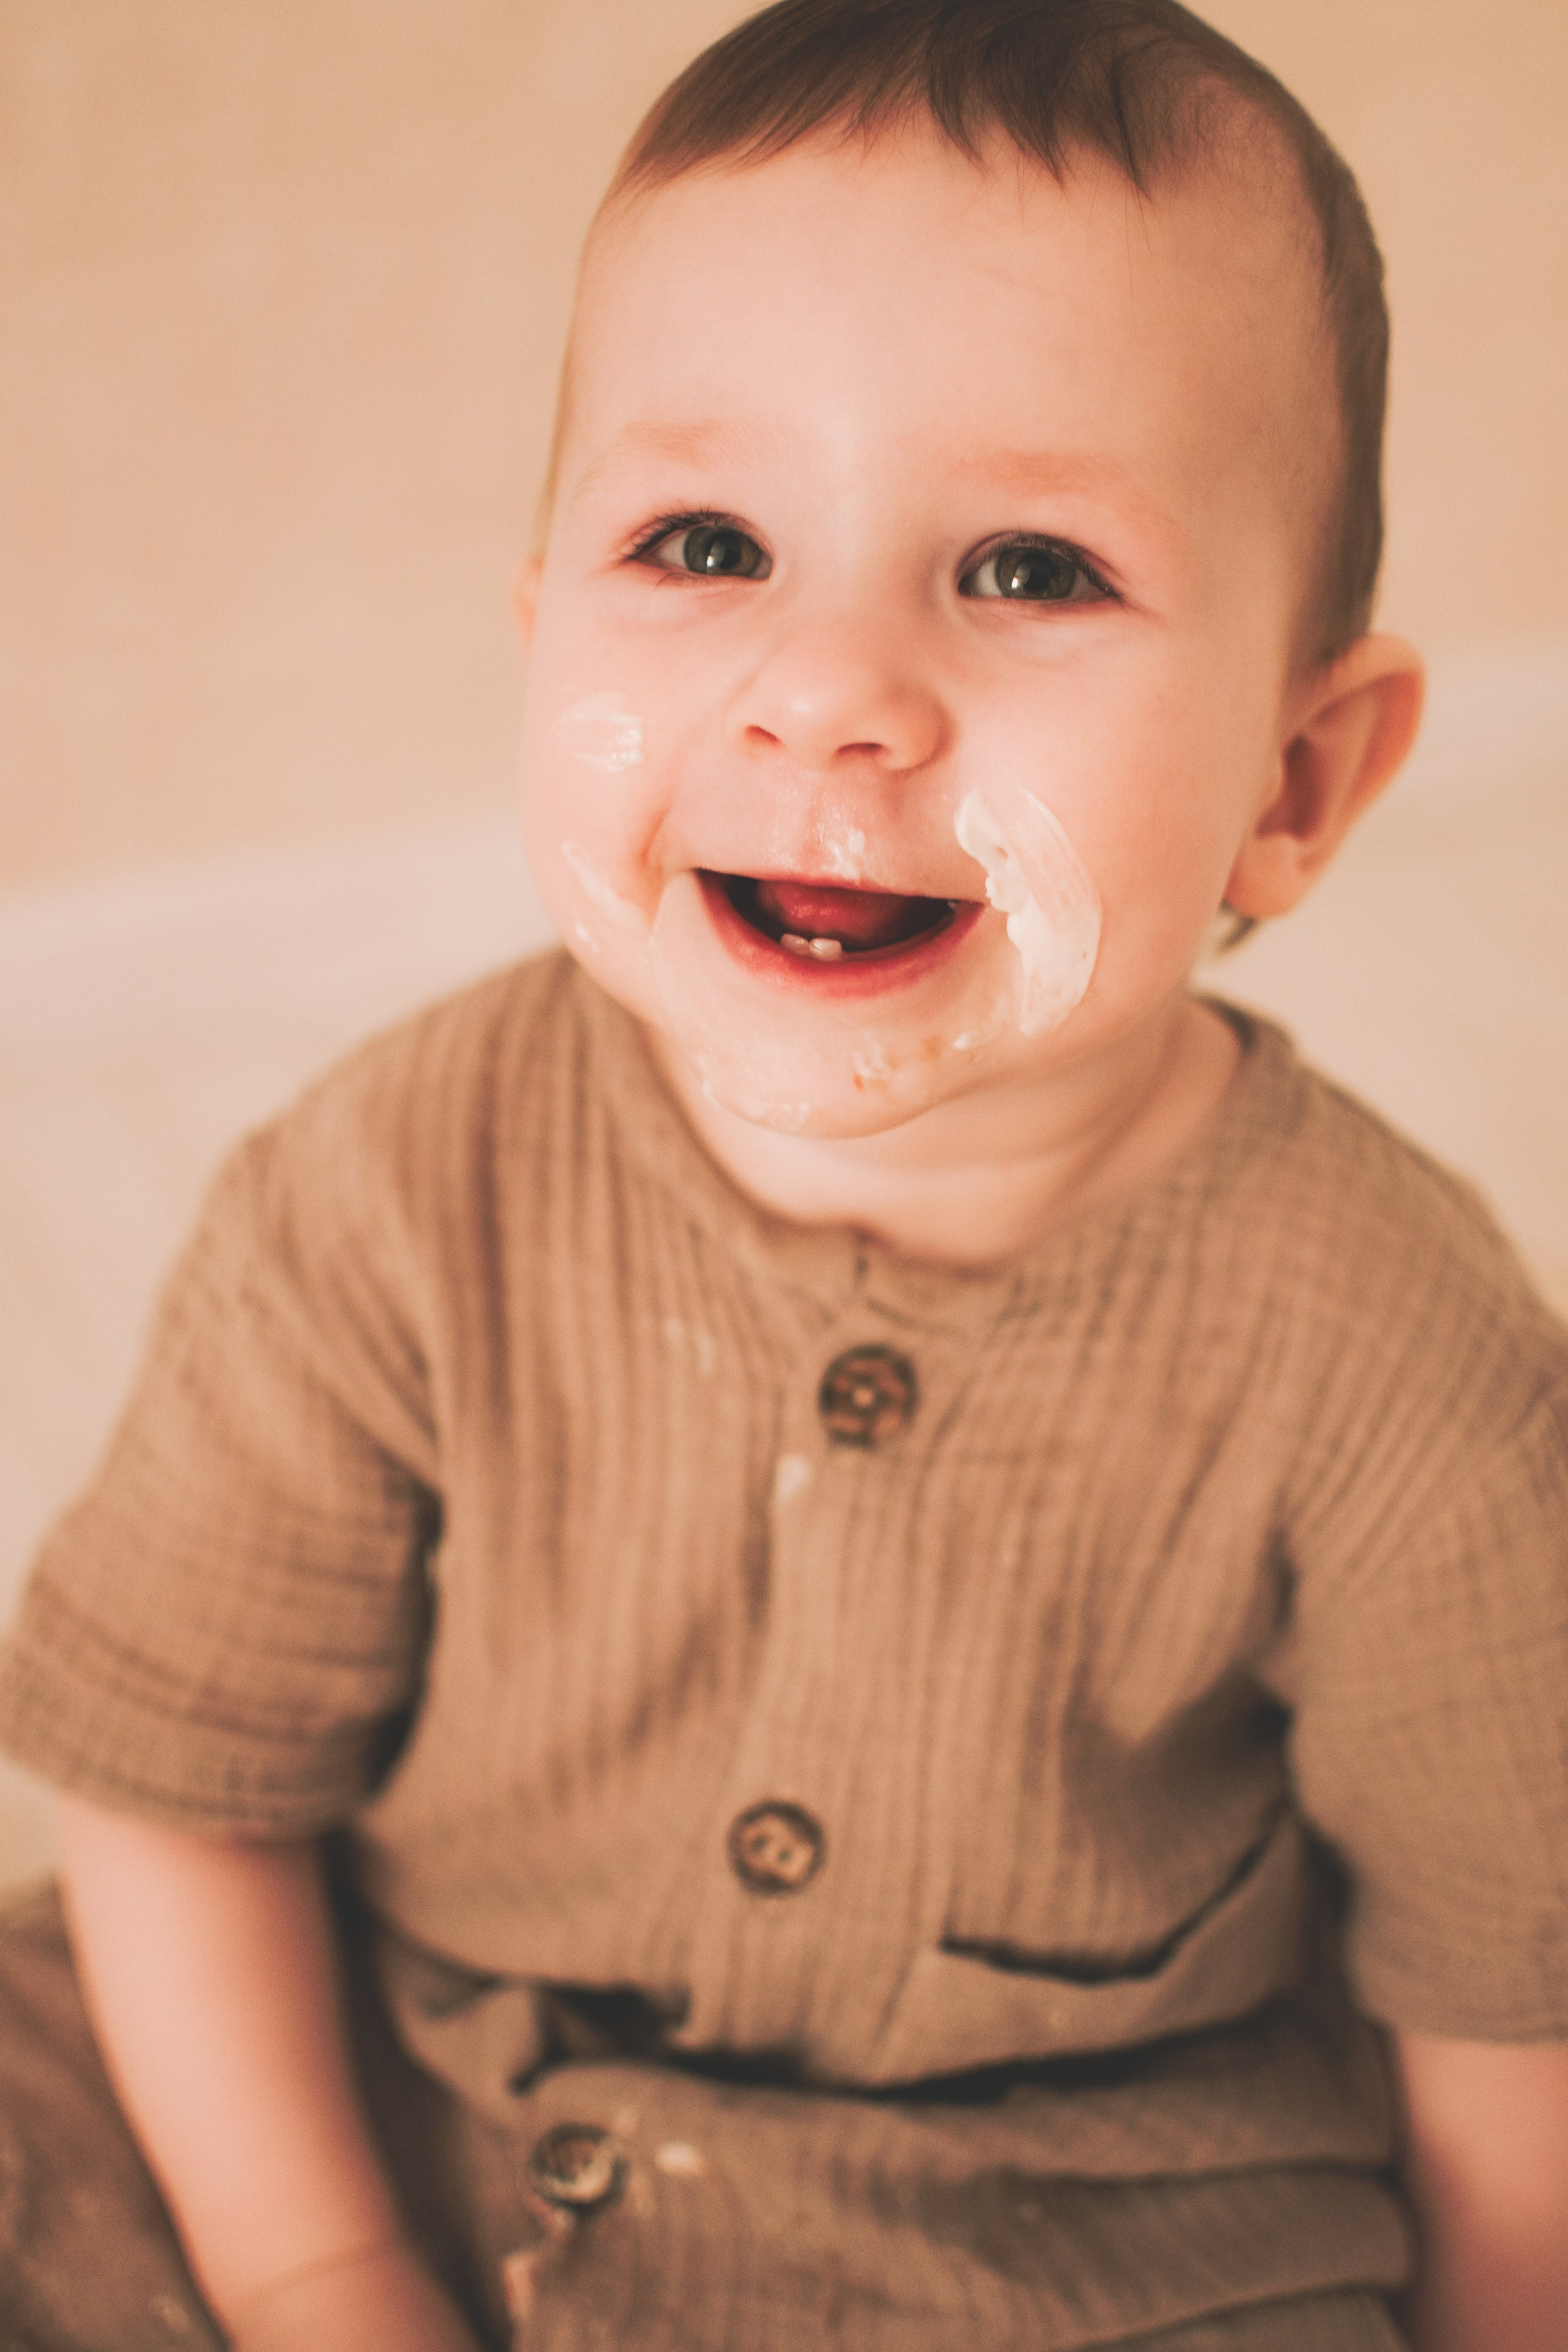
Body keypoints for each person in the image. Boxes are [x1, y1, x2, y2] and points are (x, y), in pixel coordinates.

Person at [0, 1, 1564, 2345]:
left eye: (1031, 569)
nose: (829, 685)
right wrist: (320, 2275)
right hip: (383, 2071)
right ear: (543, 642)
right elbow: (180, 1783)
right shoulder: (385, 1194)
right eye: (706, 541)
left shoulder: (1402, 1364)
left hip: (1071, 2217)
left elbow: (1505, 2010)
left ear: (1299, 779)